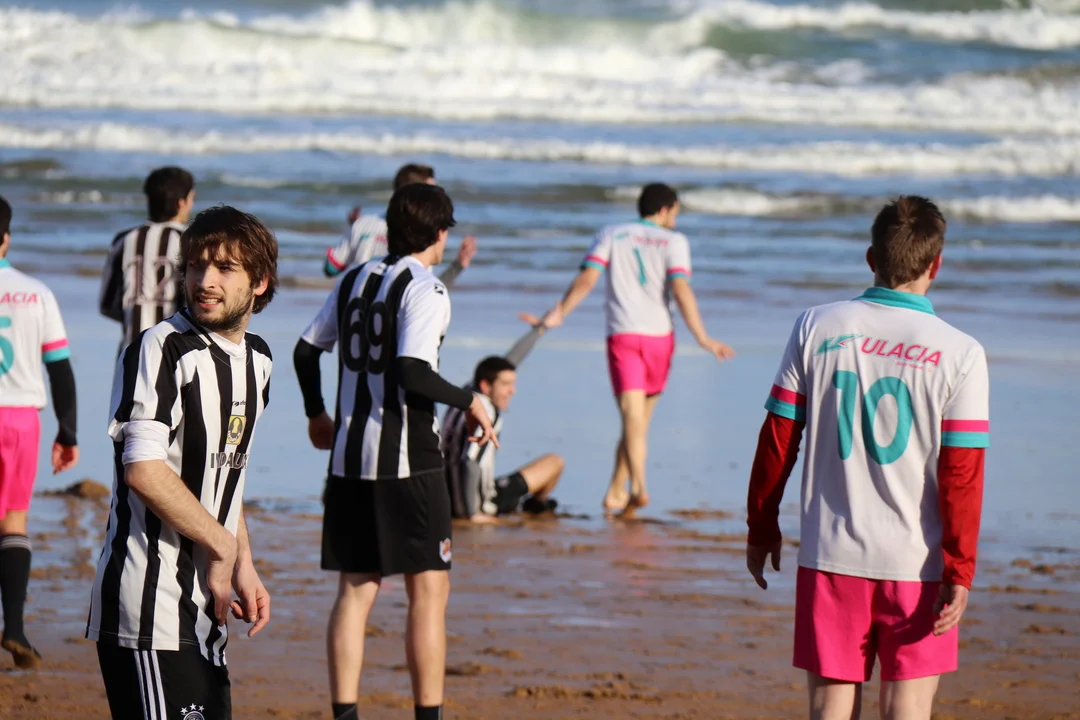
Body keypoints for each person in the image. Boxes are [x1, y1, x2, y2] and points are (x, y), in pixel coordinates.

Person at [744, 196, 989, 720]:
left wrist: (761, 525)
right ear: (936, 264)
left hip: (831, 555)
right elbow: (962, 475)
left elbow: (778, 439)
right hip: (918, 564)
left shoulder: (816, 325)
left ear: (871, 257)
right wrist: (960, 568)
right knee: (908, 707)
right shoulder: (962, 352)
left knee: (831, 705)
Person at [293, 183, 497, 720]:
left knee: (354, 592)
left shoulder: (353, 278)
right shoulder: (427, 288)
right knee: (428, 593)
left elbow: (306, 351)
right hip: (409, 462)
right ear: (440, 234)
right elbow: (412, 371)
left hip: (348, 462)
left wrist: (317, 414)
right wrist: (470, 400)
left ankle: (345, 714)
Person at [86, 206, 278, 719]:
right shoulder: (161, 347)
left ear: (259, 281)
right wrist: (221, 547)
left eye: (224, 268)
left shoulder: (259, 360)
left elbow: (225, 474)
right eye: (196, 266)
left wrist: (244, 564)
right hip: (149, 606)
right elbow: (144, 470)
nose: (204, 281)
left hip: (206, 608)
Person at [536, 183, 734, 515]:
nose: (675, 220)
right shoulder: (675, 241)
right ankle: (621, 491)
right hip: (660, 338)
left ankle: (630, 488)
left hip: (623, 335)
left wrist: (560, 313)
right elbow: (681, 289)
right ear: (665, 209)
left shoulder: (612, 233)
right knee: (638, 422)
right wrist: (702, 337)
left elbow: (587, 278)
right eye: (675, 213)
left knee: (633, 420)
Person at [0, 196, 79, 669]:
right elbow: (60, 368)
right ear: (6, 238)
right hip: (19, 421)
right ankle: (15, 628)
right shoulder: (36, 293)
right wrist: (67, 431)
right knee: (14, 522)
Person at [442, 323, 564, 523]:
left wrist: (539, 329)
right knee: (555, 462)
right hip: (477, 502)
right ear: (486, 386)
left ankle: (534, 506)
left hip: (446, 494)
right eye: (506, 385)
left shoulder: (465, 394)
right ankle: (536, 506)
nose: (512, 391)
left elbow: (508, 362)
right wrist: (472, 514)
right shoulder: (486, 412)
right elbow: (470, 461)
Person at [322, 163, 477, 284]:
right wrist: (458, 266)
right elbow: (427, 293)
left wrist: (354, 234)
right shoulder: (420, 238)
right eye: (432, 192)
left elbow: (330, 269)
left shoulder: (363, 224)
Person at [99, 166, 196, 351]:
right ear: (181, 203)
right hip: (178, 351)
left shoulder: (124, 240)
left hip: (131, 351)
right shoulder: (190, 241)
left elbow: (107, 305)